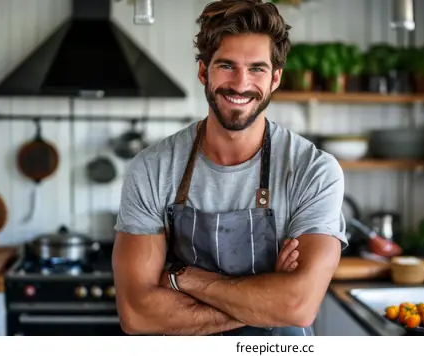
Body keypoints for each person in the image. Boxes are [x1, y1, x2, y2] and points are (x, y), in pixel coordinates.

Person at [111, 0, 347, 336]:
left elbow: (298, 306)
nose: (240, 83)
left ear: (275, 78)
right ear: (203, 72)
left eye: (256, 69)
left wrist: (187, 279)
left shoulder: (313, 170)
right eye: (226, 66)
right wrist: (268, 300)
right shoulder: (153, 168)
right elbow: (137, 314)